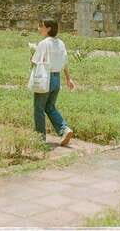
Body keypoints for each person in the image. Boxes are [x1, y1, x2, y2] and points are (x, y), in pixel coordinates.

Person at [31, 18, 75, 146]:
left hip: (45, 78)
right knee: (50, 107)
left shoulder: (43, 43)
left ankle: (39, 138)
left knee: (39, 108)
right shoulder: (60, 43)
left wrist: (32, 53)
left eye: (41, 26)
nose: (39, 28)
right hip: (56, 78)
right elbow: (65, 62)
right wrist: (68, 78)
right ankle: (64, 129)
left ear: (48, 28)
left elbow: (35, 62)